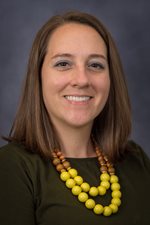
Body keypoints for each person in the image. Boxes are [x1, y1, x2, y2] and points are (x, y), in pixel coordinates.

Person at [0, 11, 150, 225]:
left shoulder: (137, 160)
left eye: (96, 65)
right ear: (39, 76)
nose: (82, 80)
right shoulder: (11, 168)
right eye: (63, 64)